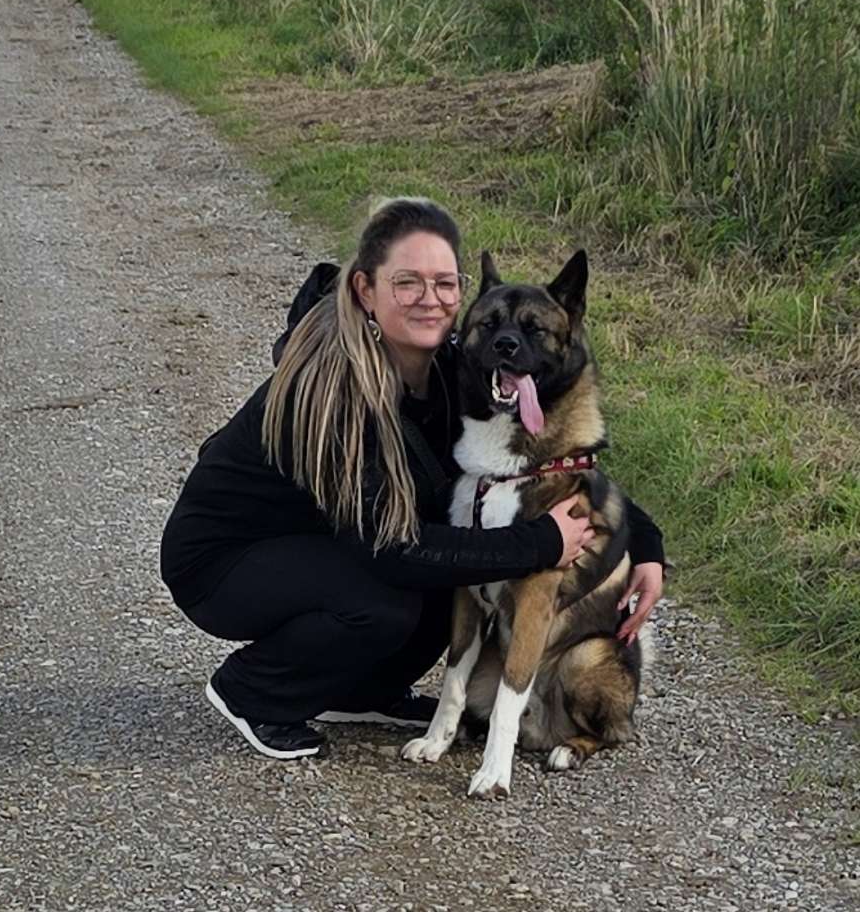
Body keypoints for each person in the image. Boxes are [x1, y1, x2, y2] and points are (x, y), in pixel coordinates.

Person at [159, 197, 665, 760]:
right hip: (228, 560)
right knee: (390, 599)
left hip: (329, 542)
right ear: (364, 290)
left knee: (451, 573)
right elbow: (392, 549)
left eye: (445, 283)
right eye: (408, 282)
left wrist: (643, 543)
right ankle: (255, 691)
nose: (431, 299)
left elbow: (547, 467)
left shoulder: (457, 366)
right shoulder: (332, 389)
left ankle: (360, 691)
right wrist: (541, 544)